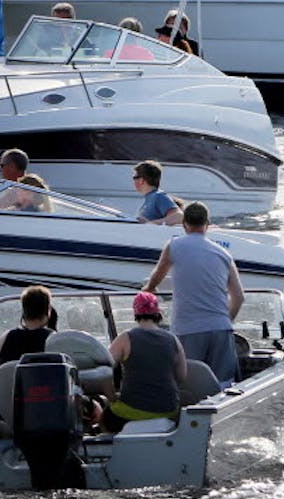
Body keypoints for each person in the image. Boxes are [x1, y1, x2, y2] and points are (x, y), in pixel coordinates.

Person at [143, 201, 244, 386]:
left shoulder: (174, 246)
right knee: (224, 386)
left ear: (184, 224)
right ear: (207, 224)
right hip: (220, 328)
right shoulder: (224, 254)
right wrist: (225, 320)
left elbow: (157, 276)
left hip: (188, 329)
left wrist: (148, 289)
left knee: (188, 385)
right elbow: (238, 297)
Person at [102, 292, 187, 434]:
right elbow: (182, 376)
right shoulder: (173, 340)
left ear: (136, 313)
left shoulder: (126, 338)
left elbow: (104, 371)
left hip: (132, 411)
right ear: (157, 313)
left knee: (105, 417)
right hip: (168, 411)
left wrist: (111, 396)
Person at [0, 285, 56, 367]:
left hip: (11, 380)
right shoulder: (54, 340)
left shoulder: (4, 339)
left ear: (24, 310)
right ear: (48, 310)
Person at [133, 159, 183, 226]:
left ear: (141, 180)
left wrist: (149, 224)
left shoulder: (158, 196)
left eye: (134, 177)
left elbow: (179, 216)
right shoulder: (151, 198)